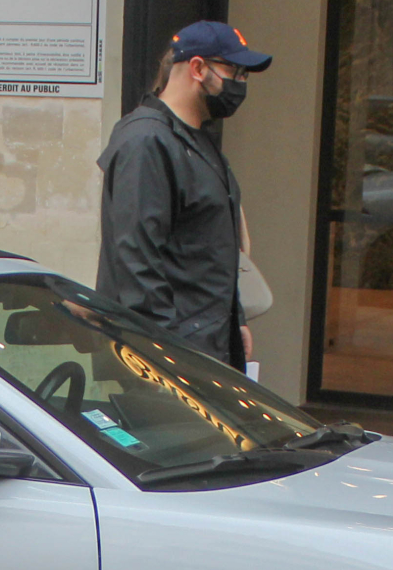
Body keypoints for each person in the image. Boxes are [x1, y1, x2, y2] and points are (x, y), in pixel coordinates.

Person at [97, 22, 270, 367]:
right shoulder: (147, 142)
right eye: (233, 71)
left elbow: (207, 251)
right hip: (167, 361)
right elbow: (138, 262)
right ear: (197, 68)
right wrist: (165, 360)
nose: (240, 84)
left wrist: (235, 322)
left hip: (205, 348)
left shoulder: (197, 142)